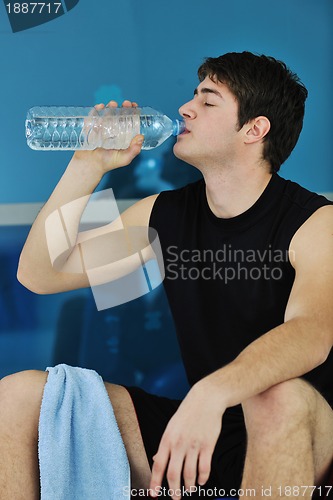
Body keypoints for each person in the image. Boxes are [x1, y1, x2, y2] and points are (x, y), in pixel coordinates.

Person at [1, 51, 333, 499]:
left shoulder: (315, 222)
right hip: (205, 426)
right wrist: (88, 166)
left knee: (276, 398)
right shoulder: (165, 216)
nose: (185, 108)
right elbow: (40, 274)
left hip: (302, 429)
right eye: (193, 95)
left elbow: (312, 332)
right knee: (21, 396)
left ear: (255, 129)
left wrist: (212, 393)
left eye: (209, 100)